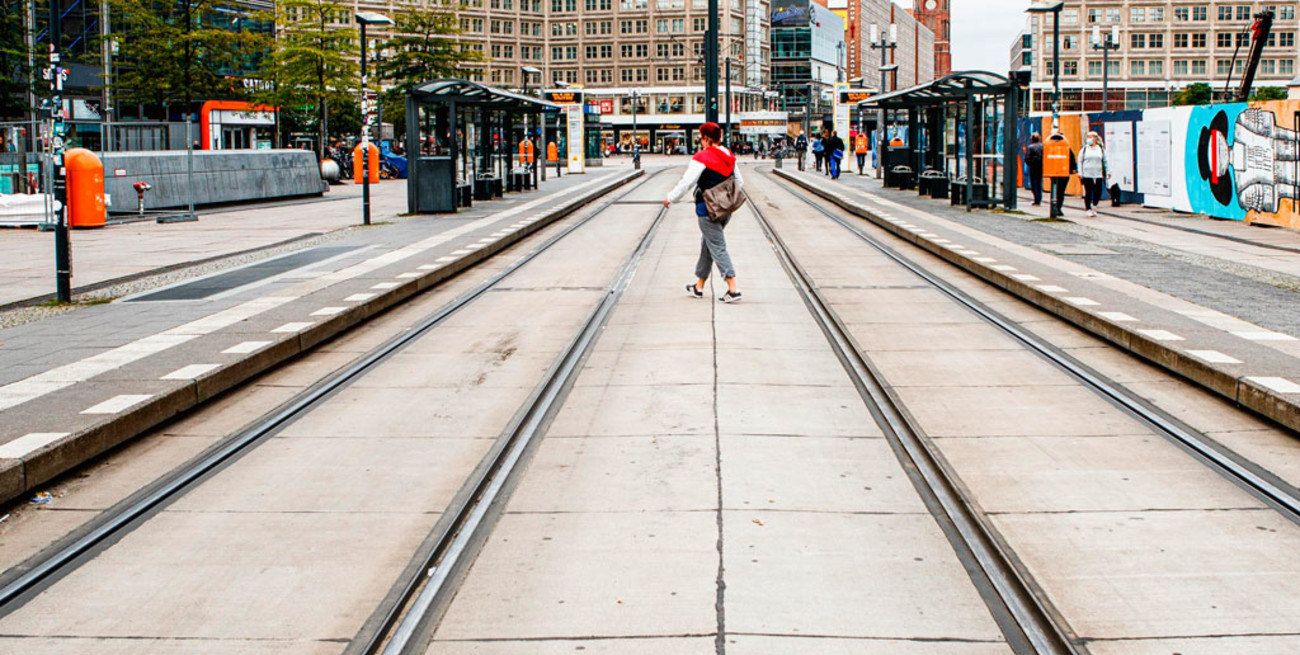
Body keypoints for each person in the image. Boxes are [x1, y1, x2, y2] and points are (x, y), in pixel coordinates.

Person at [664, 122, 743, 304]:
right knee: (708, 244)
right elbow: (740, 181)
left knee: (717, 246)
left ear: (706, 138)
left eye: (701, 137)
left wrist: (671, 197)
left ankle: (733, 288)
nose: (700, 141)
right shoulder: (729, 155)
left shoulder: (702, 157)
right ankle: (699, 286)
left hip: (707, 210)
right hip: (725, 210)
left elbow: (687, 182)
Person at [1078, 131, 1107, 217]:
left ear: (1095, 138)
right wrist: (1080, 172)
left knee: (1098, 191)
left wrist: (1108, 171)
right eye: (1088, 137)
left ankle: (1094, 205)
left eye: (1091, 137)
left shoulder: (1100, 149)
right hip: (1087, 173)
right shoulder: (1084, 149)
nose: (1089, 139)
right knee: (1088, 191)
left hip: (1098, 173)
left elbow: (1105, 161)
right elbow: (1080, 161)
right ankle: (1088, 208)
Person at [1025, 133, 1044, 206]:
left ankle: (1036, 199)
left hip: (1033, 167)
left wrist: (1030, 164)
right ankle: (1039, 197)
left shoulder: (1030, 147)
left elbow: (1027, 158)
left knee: (1034, 183)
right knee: (1039, 182)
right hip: (1040, 167)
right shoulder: (1042, 146)